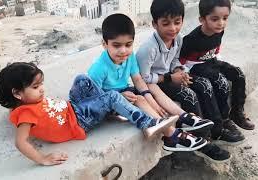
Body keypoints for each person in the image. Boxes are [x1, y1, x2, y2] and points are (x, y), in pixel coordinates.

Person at [0, 62, 208, 165]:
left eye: (41, 84)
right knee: (112, 98)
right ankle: (147, 123)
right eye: (35, 87)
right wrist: (42, 159)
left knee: (82, 79)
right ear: (17, 93)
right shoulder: (25, 114)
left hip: (74, 108)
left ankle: (111, 108)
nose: (42, 90)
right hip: (80, 121)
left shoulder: (28, 103)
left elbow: (18, 108)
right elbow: (21, 142)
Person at [88, 13, 212, 152]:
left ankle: (183, 116)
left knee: (151, 85)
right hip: (110, 101)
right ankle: (172, 136)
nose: (123, 51)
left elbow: (137, 79)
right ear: (104, 44)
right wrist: (119, 97)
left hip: (124, 92)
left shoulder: (129, 57)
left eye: (128, 45)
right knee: (139, 98)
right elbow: (93, 98)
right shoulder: (98, 68)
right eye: (116, 45)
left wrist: (150, 98)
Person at [136, 0, 239, 162]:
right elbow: (144, 78)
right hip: (156, 83)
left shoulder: (178, 40)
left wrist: (178, 71)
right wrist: (171, 77)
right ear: (154, 24)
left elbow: (176, 60)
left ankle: (216, 128)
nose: (173, 28)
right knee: (189, 95)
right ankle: (203, 142)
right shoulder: (148, 49)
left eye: (177, 22)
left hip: (171, 77)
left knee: (204, 85)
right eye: (166, 23)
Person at [179, 0, 255, 130]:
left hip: (211, 61)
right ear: (202, 19)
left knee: (238, 73)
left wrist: (220, 62)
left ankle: (237, 112)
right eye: (215, 19)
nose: (221, 23)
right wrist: (183, 74)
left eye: (225, 18)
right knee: (221, 83)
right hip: (194, 66)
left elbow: (216, 48)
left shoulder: (219, 31)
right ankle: (223, 120)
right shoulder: (191, 40)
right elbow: (180, 60)